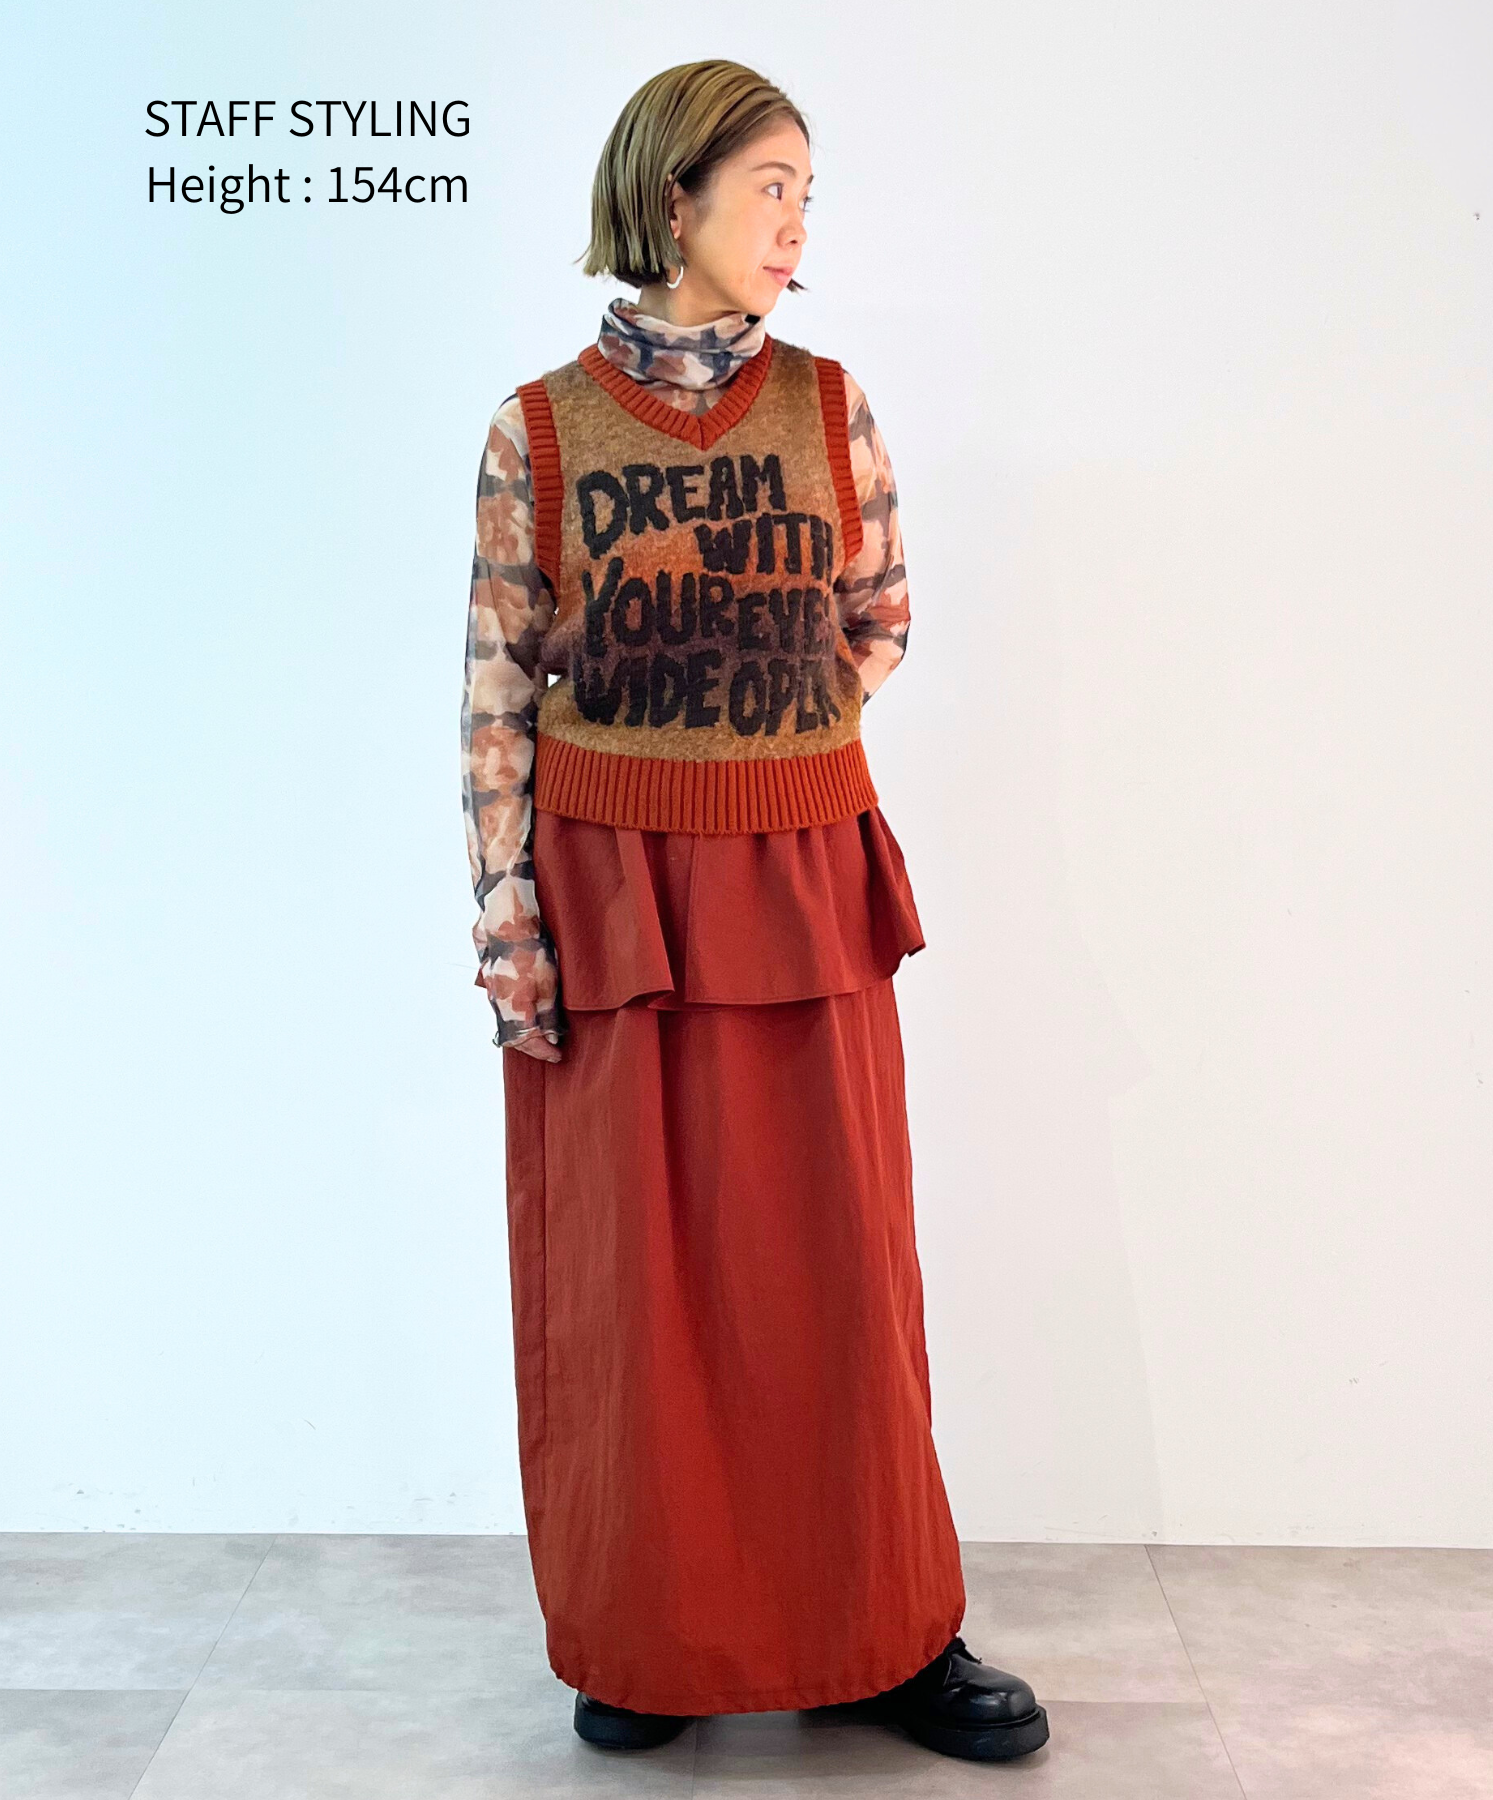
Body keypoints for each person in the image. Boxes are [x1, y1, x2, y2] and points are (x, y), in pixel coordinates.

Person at [460, 58, 1050, 1766]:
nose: (799, 224)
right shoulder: (539, 430)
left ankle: (880, 1638)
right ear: (676, 199)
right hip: (612, 899)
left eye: (809, 194)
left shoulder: (831, 407)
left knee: (836, 1278)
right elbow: (494, 697)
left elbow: (881, 616)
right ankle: (648, 1642)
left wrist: (766, 745)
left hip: (800, 883)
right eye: (773, 186)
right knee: (633, 1290)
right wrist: (510, 924)